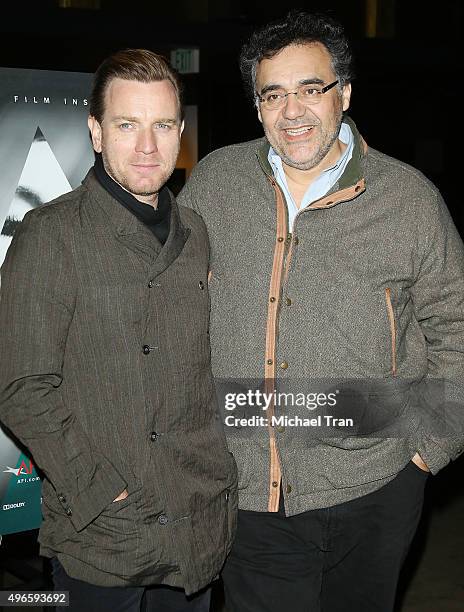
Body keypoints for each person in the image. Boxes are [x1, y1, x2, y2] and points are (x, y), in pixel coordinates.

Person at [178, 10, 464, 612]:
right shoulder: (215, 183)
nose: (293, 111)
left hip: (377, 486)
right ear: (256, 106)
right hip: (250, 488)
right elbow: (175, 306)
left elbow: (455, 327)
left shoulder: (409, 199)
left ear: (345, 94)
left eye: (311, 89)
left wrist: (427, 452)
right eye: (274, 94)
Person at [0, 49, 237, 612]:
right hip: (104, 535)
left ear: (181, 131)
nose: (148, 145)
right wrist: (101, 487)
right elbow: (19, 384)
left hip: (195, 523)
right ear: (96, 132)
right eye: (127, 125)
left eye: (162, 125)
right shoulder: (51, 234)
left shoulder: (195, 231)